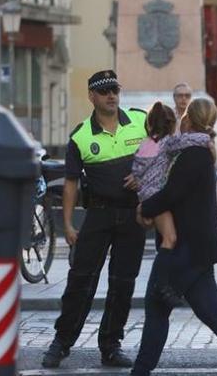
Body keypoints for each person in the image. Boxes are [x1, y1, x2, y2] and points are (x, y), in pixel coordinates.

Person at [131, 98, 217, 376]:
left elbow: (171, 194)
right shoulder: (198, 150)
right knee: (212, 313)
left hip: (185, 249)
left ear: (188, 120)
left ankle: (140, 372)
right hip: (197, 249)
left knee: (156, 308)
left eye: (184, 115)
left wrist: (145, 207)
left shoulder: (193, 154)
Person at [42, 70, 148, 369]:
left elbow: (164, 155)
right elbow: (72, 183)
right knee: (81, 282)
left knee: (123, 284)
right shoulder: (80, 135)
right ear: (92, 96)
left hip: (133, 216)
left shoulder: (140, 121)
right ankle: (61, 343)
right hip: (98, 215)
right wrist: (68, 225)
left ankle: (110, 346)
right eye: (104, 91)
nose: (111, 95)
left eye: (115, 89)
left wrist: (144, 175)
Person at [131, 101, 211, 307]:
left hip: (145, 195)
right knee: (170, 238)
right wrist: (206, 137)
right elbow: (188, 141)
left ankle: (163, 283)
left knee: (167, 239)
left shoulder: (145, 144)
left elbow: (136, 171)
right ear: (171, 125)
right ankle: (162, 284)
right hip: (156, 197)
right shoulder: (167, 143)